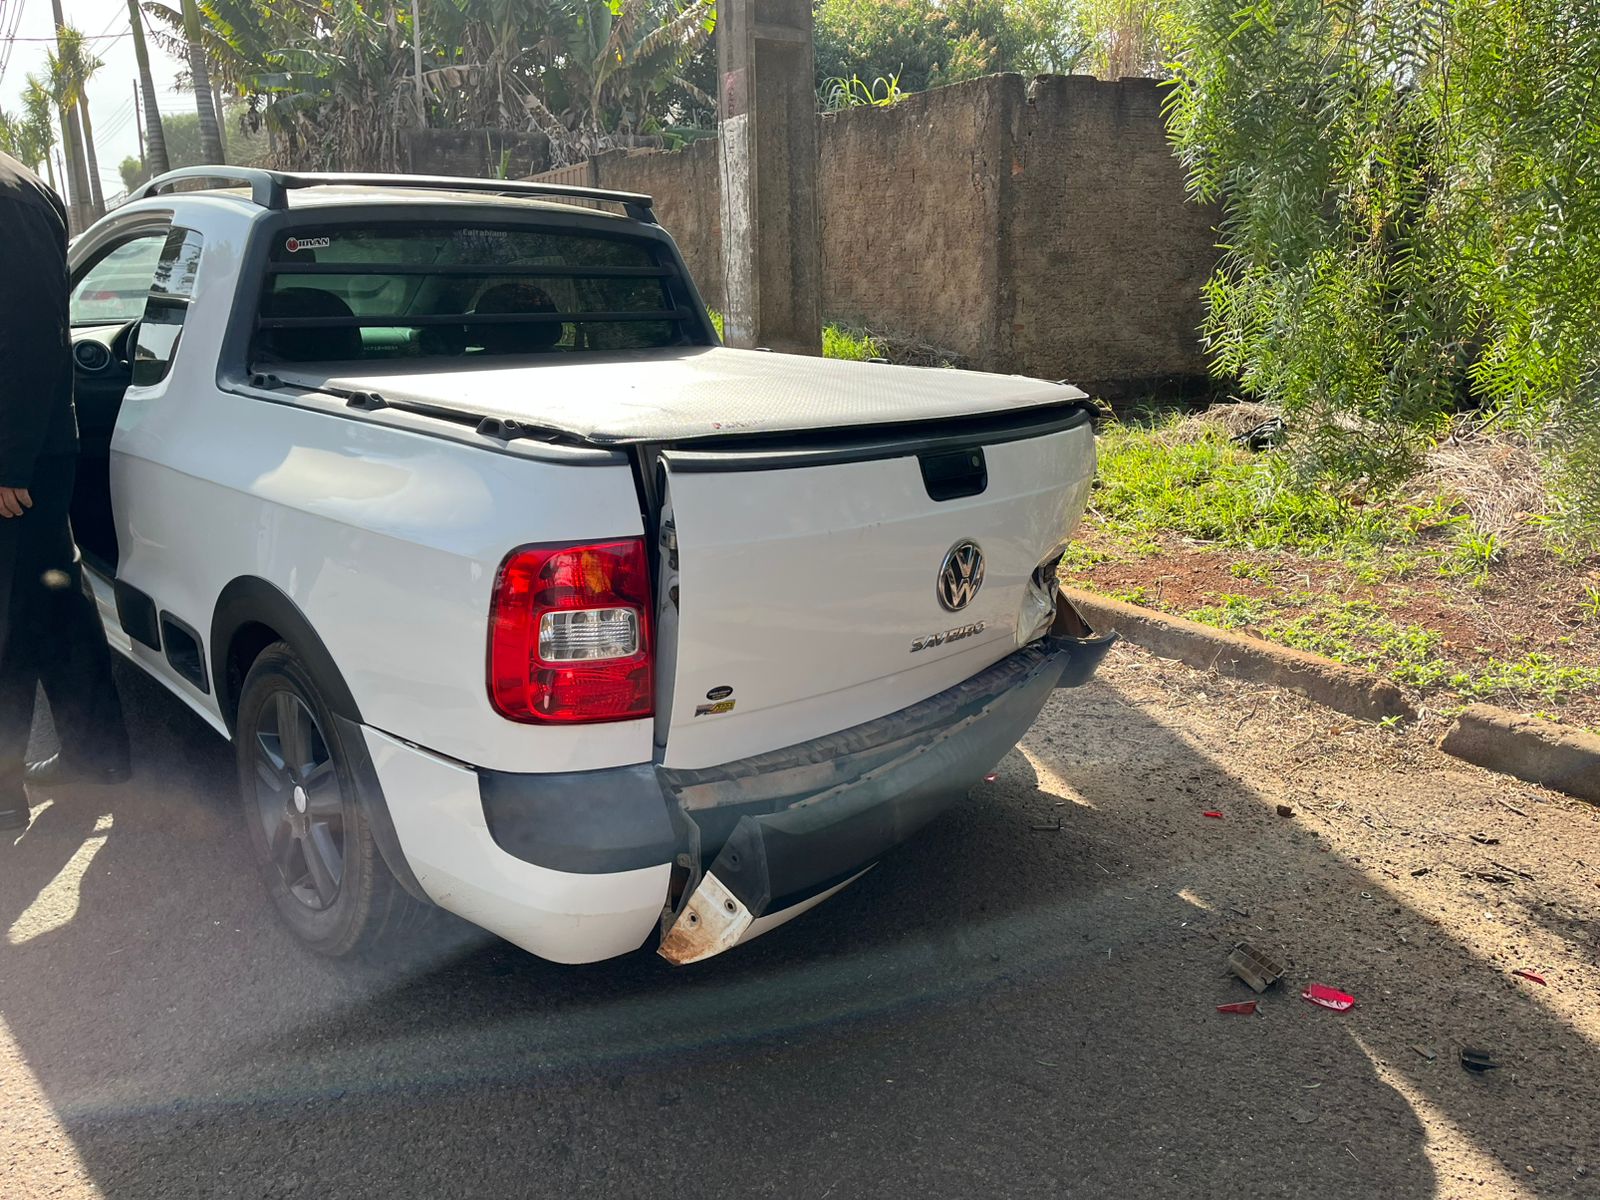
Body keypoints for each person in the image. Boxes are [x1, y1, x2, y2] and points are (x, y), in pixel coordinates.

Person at [0, 151, 130, 833]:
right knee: (52, 605)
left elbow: (30, 340)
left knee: (16, 618)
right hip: (28, 451)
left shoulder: (7, 198)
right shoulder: (18, 183)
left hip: (18, 458)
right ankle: (96, 756)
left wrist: (9, 462)